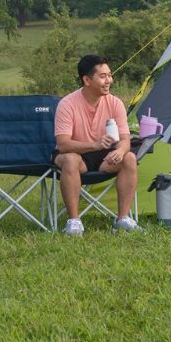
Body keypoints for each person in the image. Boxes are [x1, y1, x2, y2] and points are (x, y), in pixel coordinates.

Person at [53, 54, 140, 236]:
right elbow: (63, 144)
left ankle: (122, 219)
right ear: (86, 80)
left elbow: (125, 138)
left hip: (104, 157)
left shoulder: (115, 103)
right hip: (76, 154)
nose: (109, 80)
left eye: (109, 75)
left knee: (130, 158)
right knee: (69, 160)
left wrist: (121, 150)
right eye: (103, 76)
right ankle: (74, 222)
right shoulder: (67, 104)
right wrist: (95, 145)